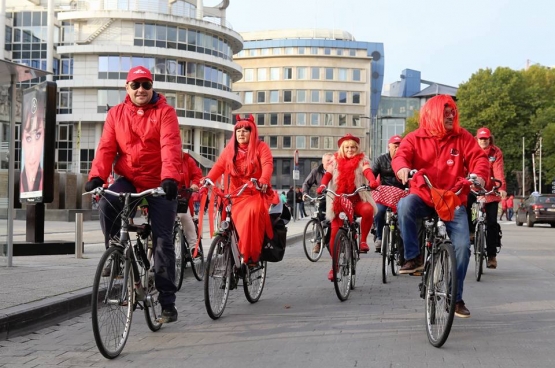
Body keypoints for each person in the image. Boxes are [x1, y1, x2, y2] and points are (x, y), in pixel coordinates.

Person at [85, 65, 182, 323]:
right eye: (135, 85)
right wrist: (97, 176)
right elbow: (106, 147)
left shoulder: (165, 112)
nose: (141, 89)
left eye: (146, 85)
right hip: (128, 178)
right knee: (107, 202)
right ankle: (116, 254)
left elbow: (170, 146)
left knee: (163, 241)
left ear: (152, 87)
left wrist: (170, 177)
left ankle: (167, 303)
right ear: (126, 88)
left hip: (159, 181)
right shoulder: (116, 114)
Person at [392, 95, 489, 318]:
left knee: (463, 248)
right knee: (405, 204)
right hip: (424, 195)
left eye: (453, 112)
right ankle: (413, 257)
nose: (451, 116)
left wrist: (480, 176)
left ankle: (456, 298)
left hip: (452, 198)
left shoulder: (462, 137)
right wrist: (402, 169)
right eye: (446, 113)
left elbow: (479, 159)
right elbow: (401, 156)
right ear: (433, 114)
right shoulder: (414, 138)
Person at [200, 114, 274, 264]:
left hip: (255, 193)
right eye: (238, 130)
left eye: (246, 130)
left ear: (252, 132)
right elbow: (219, 166)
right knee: (225, 216)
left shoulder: (261, 147)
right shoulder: (229, 150)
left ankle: (250, 255)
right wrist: (208, 179)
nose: (241, 133)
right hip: (234, 194)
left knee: (250, 214)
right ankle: (228, 246)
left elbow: (267, 164)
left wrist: (264, 179)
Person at [317, 133, 379, 280]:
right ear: (342, 149)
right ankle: (335, 267)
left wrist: (372, 180)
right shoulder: (334, 160)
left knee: (368, 209)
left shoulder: (362, 160)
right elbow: (328, 174)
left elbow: (367, 171)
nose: (350, 150)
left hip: (357, 198)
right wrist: (322, 185)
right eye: (347, 147)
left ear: (357, 148)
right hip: (339, 201)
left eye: (353, 147)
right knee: (333, 235)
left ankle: (363, 240)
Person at [466, 127, 507, 270]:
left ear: (490, 139)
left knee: (492, 223)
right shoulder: (470, 150)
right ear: (476, 138)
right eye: (481, 138)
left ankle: (491, 256)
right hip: (474, 188)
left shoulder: (495, 152)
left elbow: (498, 170)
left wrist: (500, 188)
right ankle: (471, 231)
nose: (483, 141)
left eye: (486, 138)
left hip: (490, 191)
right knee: (467, 205)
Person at [371, 134, 407, 253]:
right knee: (378, 211)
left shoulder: (406, 160)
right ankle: (380, 237)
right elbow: (372, 174)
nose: (397, 148)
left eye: (399, 146)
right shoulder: (381, 160)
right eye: (395, 146)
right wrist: (370, 183)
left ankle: (402, 243)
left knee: (403, 217)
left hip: (401, 194)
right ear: (389, 147)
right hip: (384, 194)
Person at [302, 152, 334, 253]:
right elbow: (307, 183)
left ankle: (329, 241)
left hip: (334, 198)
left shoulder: (335, 170)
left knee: (333, 220)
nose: (330, 162)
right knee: (319, 218)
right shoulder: (316, 171)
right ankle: (318, 242)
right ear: (323, 162)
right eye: (328, 160)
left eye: (331, 160)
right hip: (322, 198)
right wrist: (305, 193)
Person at [177, 152, 202, 251]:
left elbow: (197, 174)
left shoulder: (187, 160)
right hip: (164, 196)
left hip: (182, 197)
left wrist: (195, 184)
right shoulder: (162, 157)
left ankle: (193, 247)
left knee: (185, 216)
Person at [20, 106, 45, 195]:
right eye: (28, 138)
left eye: (38, 135)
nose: (33, 153)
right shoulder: (19, 183)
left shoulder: (46, 182)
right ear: (22, 140)